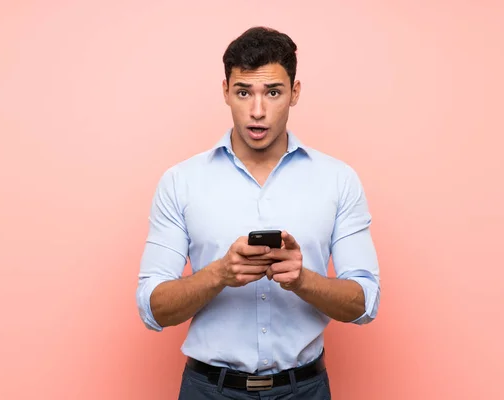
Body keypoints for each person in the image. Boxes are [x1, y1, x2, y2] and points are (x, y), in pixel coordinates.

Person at [136, 26, 381, 399]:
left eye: (273, 92)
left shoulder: (338, 180)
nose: (257, 111)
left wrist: (302, 280)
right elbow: (153, 307)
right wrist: (220, 274)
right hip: (209, 390)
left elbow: (365, 301)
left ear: (294, 93)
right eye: (243, 92)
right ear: (225, 92)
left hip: (304, 389)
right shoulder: (180, 182)